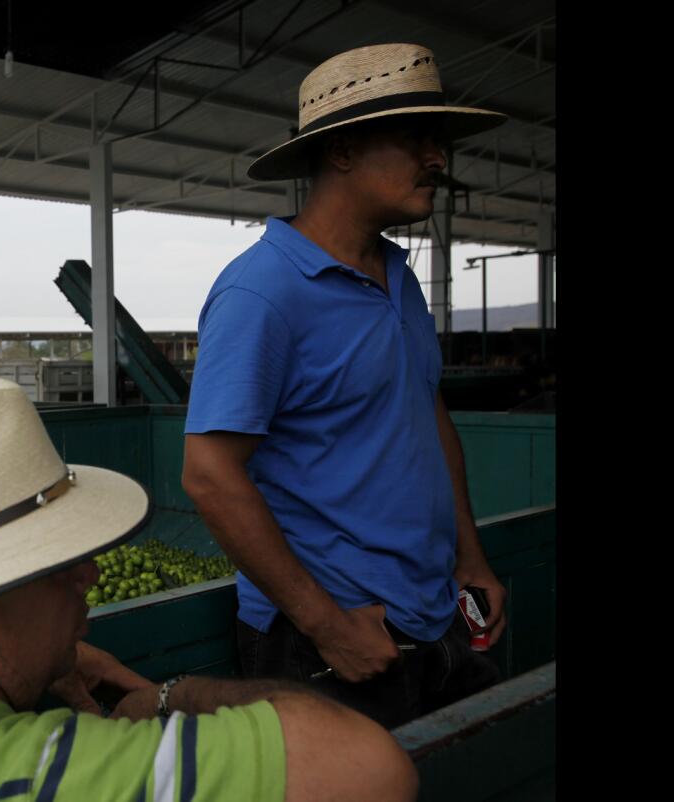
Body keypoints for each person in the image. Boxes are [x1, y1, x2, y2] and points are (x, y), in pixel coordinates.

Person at [0, 377, 416, 801]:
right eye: (58, 566)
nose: (89, 575)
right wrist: (174, 696)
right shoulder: (9, 781)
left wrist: (44, 653)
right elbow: (370, 769)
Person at [181, 43, 508, 728]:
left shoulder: (399, 276)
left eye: (439, 141)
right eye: (418, 138)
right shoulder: (261, 293)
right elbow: (210, 475)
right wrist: (325, 625)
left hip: (431, 610)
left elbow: (428, 414)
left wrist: (469, 557)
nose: (438, 158)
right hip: (327, 641)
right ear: (341, 153)